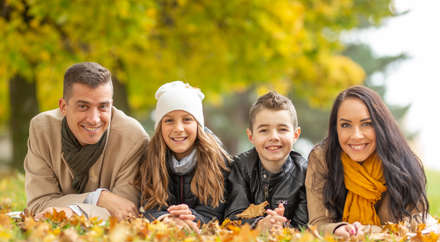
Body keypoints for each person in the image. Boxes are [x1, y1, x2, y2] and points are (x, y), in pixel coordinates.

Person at [25, 62, 149, 220]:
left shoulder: (133, 139)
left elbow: (125, 212)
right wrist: (98, 198)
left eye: (103, 106)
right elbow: (38, 204)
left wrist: (73, 212)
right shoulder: (42, 129)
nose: (94, 119)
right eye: (83, 106)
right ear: (63, 106)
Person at [306, 85, 430, 238]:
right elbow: (318, 223)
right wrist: (337, 229)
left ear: (380, 125)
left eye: (366, 124)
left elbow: (417, 222)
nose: (356, 135)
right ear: (335, 128)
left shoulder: (403, 162)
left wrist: (369, 231)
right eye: (345, 125)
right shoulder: (322, 158)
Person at [135, 81, 231, 232]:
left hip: (198, 227)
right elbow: (148, 208)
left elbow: (214, 213)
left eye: (187, 119)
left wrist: (189, 217)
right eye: (169, 120)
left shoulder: (216, 160)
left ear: (198, 125)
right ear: (160, 126)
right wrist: (167, 219)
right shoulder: (150, 159)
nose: (178, 128)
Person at [224, 91, 308, 231]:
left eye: (282, 129)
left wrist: (283, 226)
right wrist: (259, 224)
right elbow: (233, 215)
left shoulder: (304, 173)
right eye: (264, 130)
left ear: (295, 134)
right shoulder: (241, 167)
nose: (274, 137)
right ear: (251, 136)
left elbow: (304, 224)